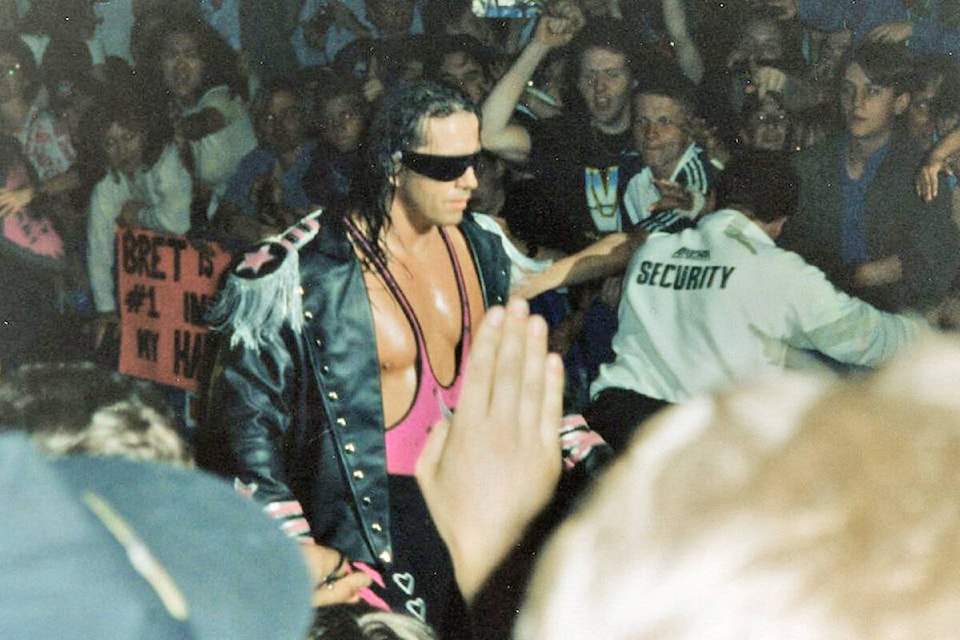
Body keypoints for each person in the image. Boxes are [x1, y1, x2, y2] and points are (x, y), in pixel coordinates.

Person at [199, 80, 511, 632]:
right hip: (376, 516)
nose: (470, 181)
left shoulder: (482, 244)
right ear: (395, 165)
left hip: (476, 503)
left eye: (475, 161)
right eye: (447, 166)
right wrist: (291, 539)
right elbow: (246, 418)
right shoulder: (300, 267)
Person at [585, 151, 924, 451]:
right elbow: (867, 338)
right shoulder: (778, 272)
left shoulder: (652, 250)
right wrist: (931, 335)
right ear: (780, 223)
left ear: (715, 198)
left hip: (613, 424)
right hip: (699, 447)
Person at [780, 42, 960, 313]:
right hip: (816, 305)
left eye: (872, 92)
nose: (857, 103)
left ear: (900, 103)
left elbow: (932, 257)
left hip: (896, 314)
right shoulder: (808, 165)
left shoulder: (919, 171)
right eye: (848, 90)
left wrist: (858, 276)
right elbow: (790, 245)